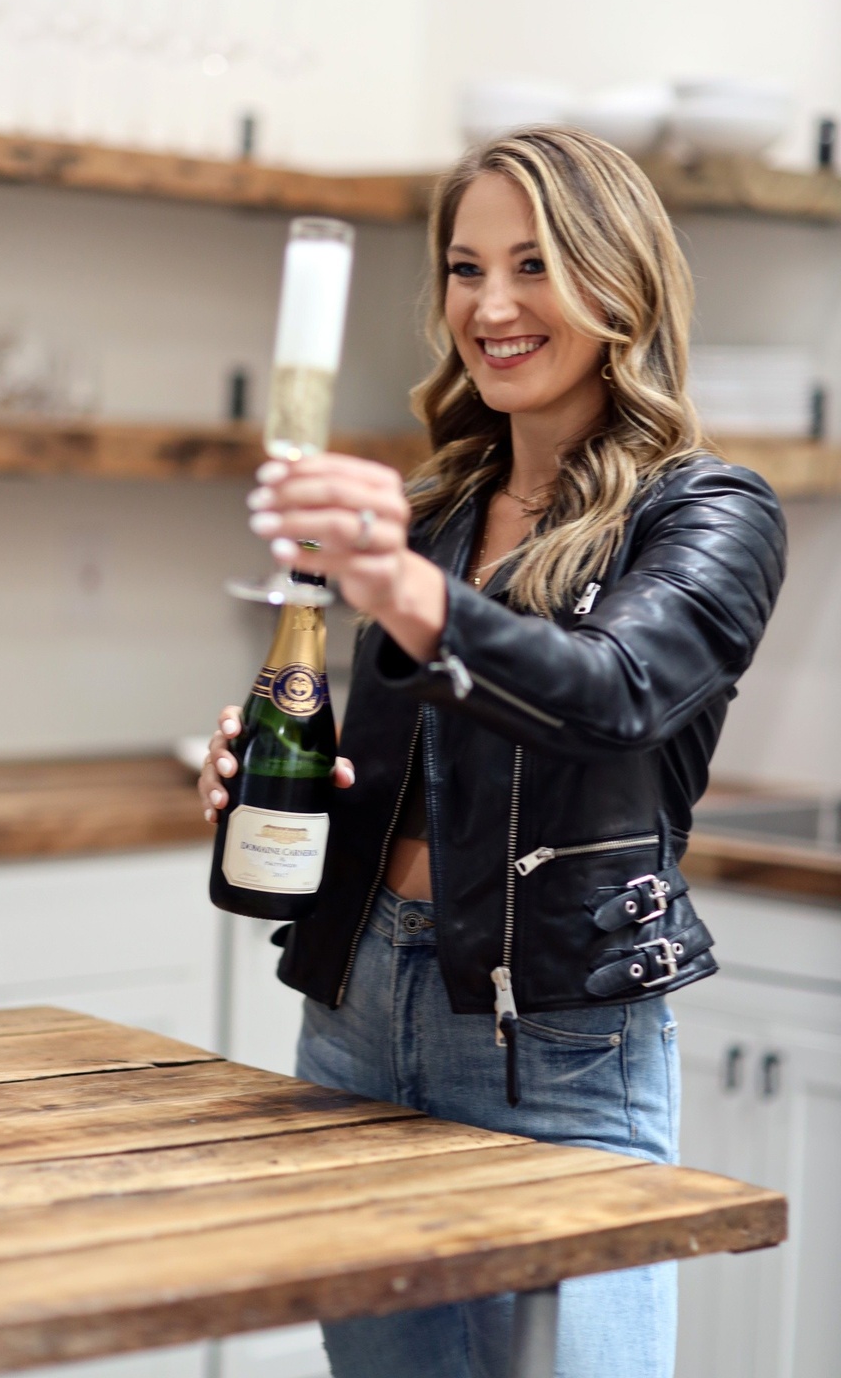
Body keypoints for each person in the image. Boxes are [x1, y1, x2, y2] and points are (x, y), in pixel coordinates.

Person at [199, 127, 786, 1378]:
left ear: (619, 281)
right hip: (356, 1016)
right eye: (466, 269)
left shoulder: (710, 513)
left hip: (556, 1050)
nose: (494, 306)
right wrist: (275, 779)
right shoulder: (438, 511)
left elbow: (613, 694)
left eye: (536, 264)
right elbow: (408, 769)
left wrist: (405, 590)